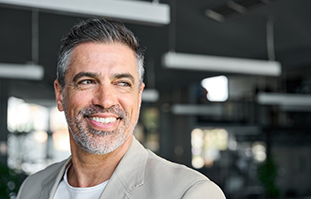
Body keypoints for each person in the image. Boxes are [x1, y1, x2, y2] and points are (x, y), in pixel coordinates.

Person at [17, 18, 226, 199]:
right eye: (87, 81)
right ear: (60, 95)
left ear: (139, 96)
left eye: (122, 83)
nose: (105, 100)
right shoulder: (32, 188)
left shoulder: (190, 193)